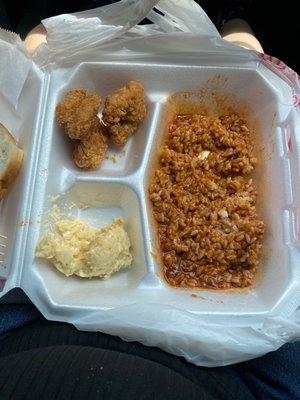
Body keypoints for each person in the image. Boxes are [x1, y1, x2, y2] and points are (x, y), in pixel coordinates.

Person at [1, 2, 299, 399]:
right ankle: (234, 20)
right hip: (240, 376)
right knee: (243, 45)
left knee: (37, 37)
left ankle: (56, 13)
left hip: (21, 330)